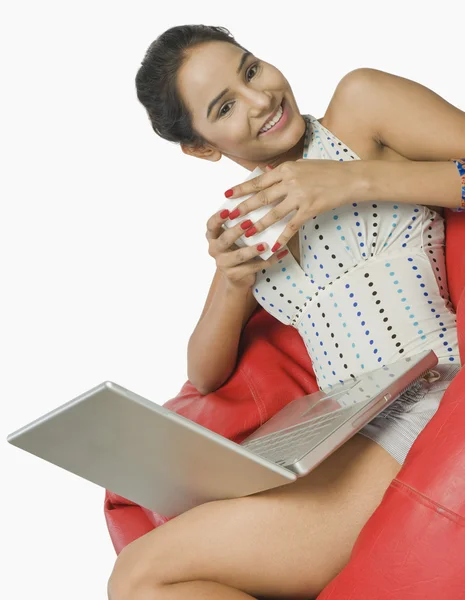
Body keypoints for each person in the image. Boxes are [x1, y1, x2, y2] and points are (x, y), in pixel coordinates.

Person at [107, 24, 465, 600]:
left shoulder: (360, 107)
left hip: (427, 411)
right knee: (145, 576)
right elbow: (205, 375)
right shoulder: (256, 215)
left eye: (250, 70)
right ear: (201, 147)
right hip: (337, 441)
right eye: (225, 106)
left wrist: (350, 179)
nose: (261, 98)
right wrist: (230, 278)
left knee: (144, 577)